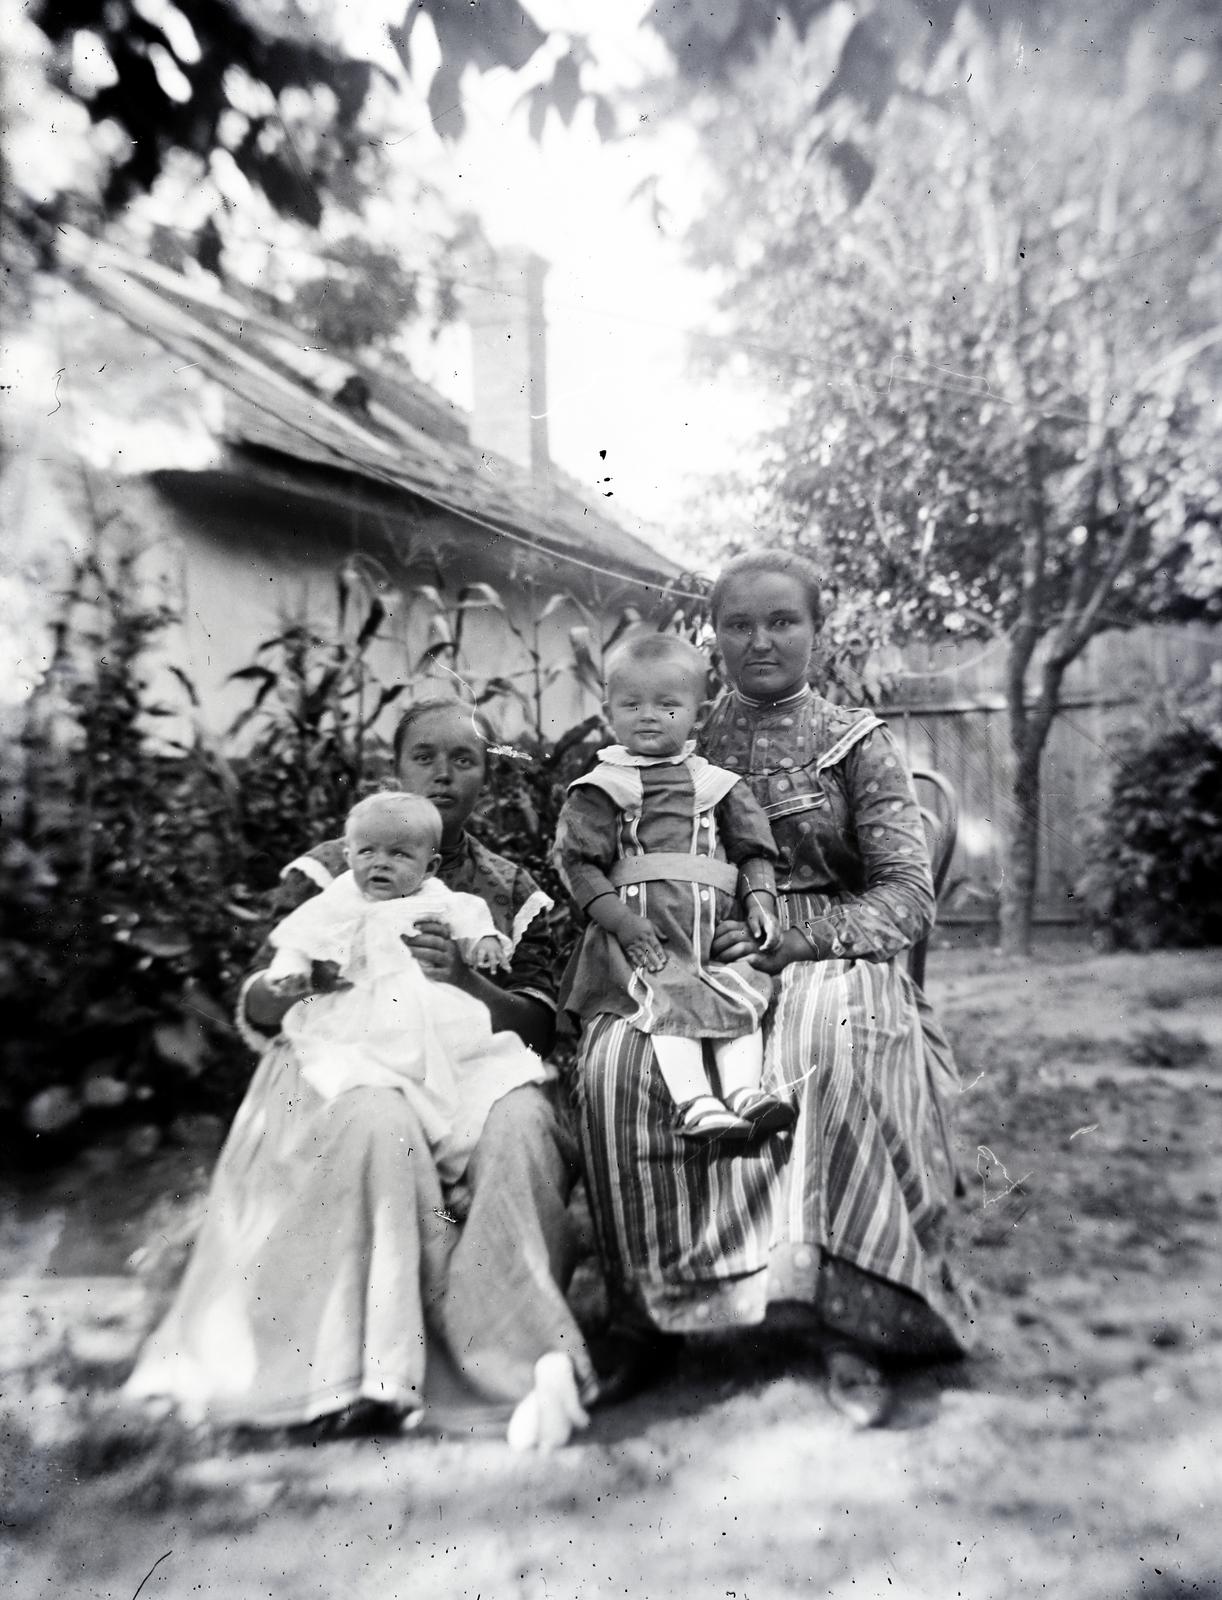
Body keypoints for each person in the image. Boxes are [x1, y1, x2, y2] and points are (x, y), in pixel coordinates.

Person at [126, 699, 592, 1451]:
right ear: (395, 766)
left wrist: (472, 984)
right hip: (342, 1057)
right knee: (376, 1117)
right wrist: (303, 985)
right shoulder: (334, 869)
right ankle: (350, 1372)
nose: (443, 773)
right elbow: (261, 997)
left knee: (525, 1123)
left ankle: (510, 1360)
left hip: (468, 1059)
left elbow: (541, 1024)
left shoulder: (506, 890)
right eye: (425, 757)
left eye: (464, 759)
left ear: (489, 777)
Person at [576, 550, 974, 1426]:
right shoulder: (672, 733)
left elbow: (905, 898)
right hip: (690, 949)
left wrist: (791, 940)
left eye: (782, 621)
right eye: (740, 624)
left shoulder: (856, 744)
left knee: (821, 1044)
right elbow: (601, 855)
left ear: (817, 632)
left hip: (830, 953)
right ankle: (647, 1319)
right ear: (711, 637)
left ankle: (846, 1323)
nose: (761, 641)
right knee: (618, 1060)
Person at [554, 632, 792, 1143]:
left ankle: (745, 1094)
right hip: (643, 938)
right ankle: (697, 1103)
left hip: (710, 938)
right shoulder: (603, 787)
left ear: (696, 715)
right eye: (631, 704)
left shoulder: (719, 785)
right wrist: (622, 922)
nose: (648, 715)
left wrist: (761, 901)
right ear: (607, 711)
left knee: (740, 991)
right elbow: (577, 864)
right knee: (666, 998)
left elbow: (753, 852)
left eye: (668, 705)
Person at [265, 790, 545, 1185]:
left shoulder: (434, 896)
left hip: (428, 1015)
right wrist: (292, 966)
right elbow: (302, 931)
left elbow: (469, 914)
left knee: (462, 1089)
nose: (380, 863)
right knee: (362, 1085)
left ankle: (456, 1171)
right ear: (348, 857)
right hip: (362, 1018)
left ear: (429, 867)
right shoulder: (342, 894)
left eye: (398, 855)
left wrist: (484, 940)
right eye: (367, 852)